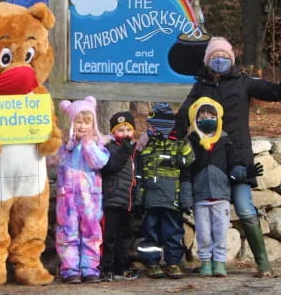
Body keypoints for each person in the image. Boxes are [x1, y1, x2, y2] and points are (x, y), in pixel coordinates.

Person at [175, 37, 281, 277]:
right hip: (208, 161)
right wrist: (159, 135)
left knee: (243, 205)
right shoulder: (200, 86)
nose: (220, 60)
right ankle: (207, 261)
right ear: (208, 61)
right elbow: (183, 117)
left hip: (238, 158)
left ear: (232, 59)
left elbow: (277, 92)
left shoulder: (244, 82)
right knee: (204, 212)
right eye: (215, 57)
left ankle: (263, 264)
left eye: (225, 56)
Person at [180, 97, 263, 277]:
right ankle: (205, 262)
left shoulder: (225, 141)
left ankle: (219, 262)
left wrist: (245, 172)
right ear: (195, 119)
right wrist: (186, 198)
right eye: (202, 117)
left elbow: (233, 167)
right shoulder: (191, 141)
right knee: (203, 234)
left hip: (221, 198)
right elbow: (186, 172)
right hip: (200, 198)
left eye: (211, 116)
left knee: (220, 232)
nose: (206, 119)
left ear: (218, 118)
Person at [55, 96, 109, 284]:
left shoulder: (97, 144)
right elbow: (48, 160)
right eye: (78, 122)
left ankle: (90, 269)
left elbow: (100, 162)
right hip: (67, 198)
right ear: (71, 123)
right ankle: (70, 270)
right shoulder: (63, 147)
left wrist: (88, 144)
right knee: (67, 233)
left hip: (90, 199)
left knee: (92, 233)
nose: (83, 126)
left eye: (87, 122)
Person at [136, 103, 194, 279]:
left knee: (173, 232)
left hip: (171, 199)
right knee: (149, 232)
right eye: (149, 126)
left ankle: (173, 262)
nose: (150, 129)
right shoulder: (146, 145)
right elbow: (139, 174)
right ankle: (152, 263)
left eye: (153, 125)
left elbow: (188, 164)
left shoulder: (178, 145)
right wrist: (138, 198)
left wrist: (185, 200)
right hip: (151, 199)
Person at [100, 111, 139, 282]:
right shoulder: (109, 148)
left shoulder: (136, 150)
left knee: (125, 237)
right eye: (120, 130)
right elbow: (110, 167)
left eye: (128, 130)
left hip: (129, 201)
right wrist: (125, 151)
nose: (125, 134)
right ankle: (106, 268)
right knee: (109, 237)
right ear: (113, 132)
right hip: (112, 199)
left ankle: (121, 268)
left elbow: (138, 174)